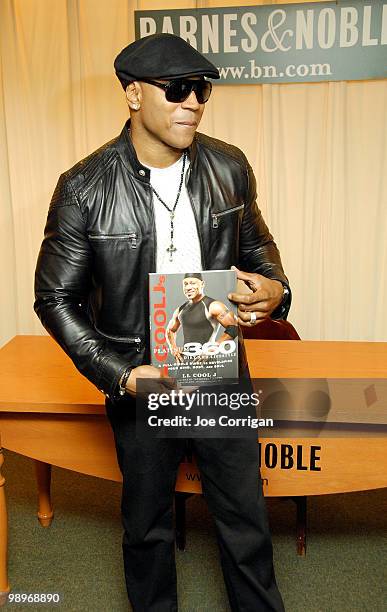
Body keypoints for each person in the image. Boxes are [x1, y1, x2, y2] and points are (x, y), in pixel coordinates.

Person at [34, 33, 291, 611]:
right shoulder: (84, 188)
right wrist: (123, 376)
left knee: (246, 520)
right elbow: (55, 298)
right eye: (177, 89)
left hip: (220, 376)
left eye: (201, 90)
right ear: (132, 93)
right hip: (141, 379)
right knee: (146, 529)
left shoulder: (229, 166)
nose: (193, 102)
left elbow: (261, 254)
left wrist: (276, 290)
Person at [166, 272, 238, 363]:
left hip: (206, 361)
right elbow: (170, 330)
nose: (188, 287)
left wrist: (214, 347)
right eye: (185, 284)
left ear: (202, 284)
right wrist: (173, 348)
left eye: (192, 283)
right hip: (184, 362)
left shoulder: (213, 306)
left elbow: (234, 327)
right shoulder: (180, 310)